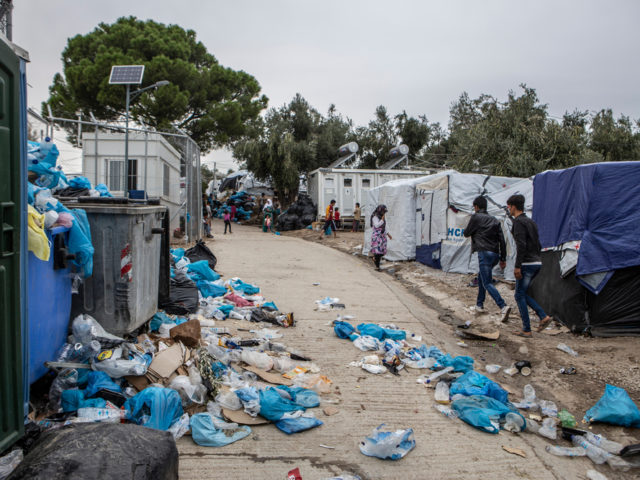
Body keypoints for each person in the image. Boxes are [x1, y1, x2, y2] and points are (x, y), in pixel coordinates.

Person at [507, 194, 553, 338]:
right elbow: (538, 243)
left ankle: (527, 329)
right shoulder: (531, 222)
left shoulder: (519, 223)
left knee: (519, 295)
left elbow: (521, 245)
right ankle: (542, 316)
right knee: (523, 293)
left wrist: (517, 266)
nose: (508, 209)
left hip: (526, 263)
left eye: (509, 206)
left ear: (513, 206)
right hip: (536, 262)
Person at [463, 196, 511, 321]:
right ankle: (479, 304)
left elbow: (466, 233)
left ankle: (503, 306)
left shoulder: (476, 217)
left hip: (483, 252)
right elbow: (502, 240)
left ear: (476, 207)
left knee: (487, 282)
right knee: (481, 278)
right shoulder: (495, 220)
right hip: (495, 254)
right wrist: (503, 258)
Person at [370, 204, 392, 271]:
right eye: (383, 212)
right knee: (378, 252)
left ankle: (375, 259)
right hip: (377, 236)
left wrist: (388, 234)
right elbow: (376, 225)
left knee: (382, 251)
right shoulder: (375, 217)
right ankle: (377, 266)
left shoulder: (381, 217)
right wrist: (382, 220)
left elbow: (384, 226)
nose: (384, 213)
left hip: (382, 236)